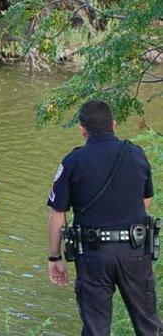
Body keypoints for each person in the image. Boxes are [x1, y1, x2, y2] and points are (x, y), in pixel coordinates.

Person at [46, 99, 163, 335]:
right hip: (135, 251)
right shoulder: (136, 154)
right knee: (149, 326)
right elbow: (146, 199)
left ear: (82, 129)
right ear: (114, 124)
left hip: (93, 255)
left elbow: (57, 214)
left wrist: (54, 257)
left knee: (96, 329)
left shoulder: (72, 162)